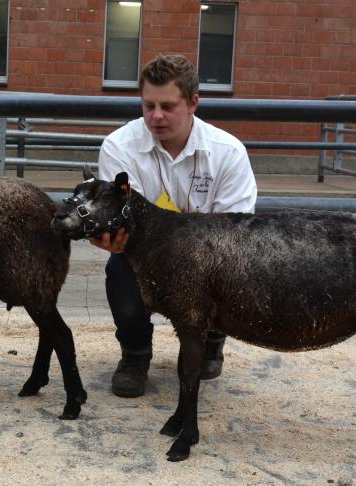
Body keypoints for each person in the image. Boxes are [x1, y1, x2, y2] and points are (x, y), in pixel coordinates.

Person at [91, 53, 257, 398]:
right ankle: (135, 354)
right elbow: (121, 222)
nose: (156, 116)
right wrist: (109, 235)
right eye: (148, 105)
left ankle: (211, 340)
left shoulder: (229, 152)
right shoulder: (118, 147)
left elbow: (236, 232)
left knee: (236, 263)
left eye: (168, 106)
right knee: (120, 262)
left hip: (209, 257)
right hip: (146, 254)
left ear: (194, 102)